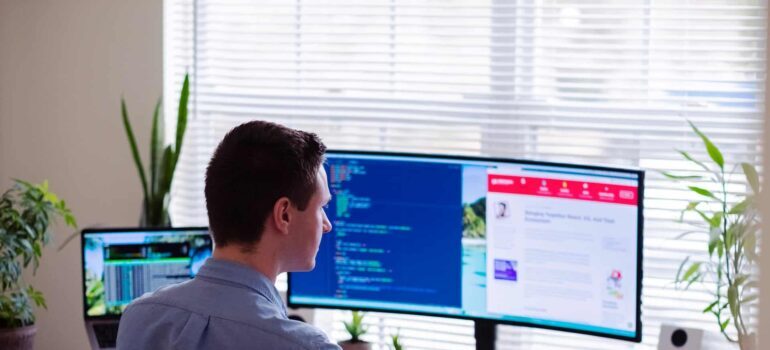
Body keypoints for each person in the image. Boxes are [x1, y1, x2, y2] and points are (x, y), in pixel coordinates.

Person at [116, 121, 340, 350]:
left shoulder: (139, 319)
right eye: (320, 207)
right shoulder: (308, 347)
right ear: (284, 215)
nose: (326, 224)